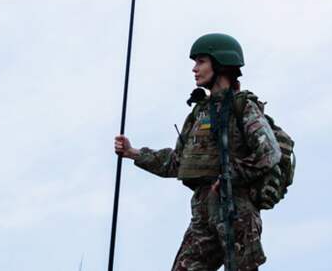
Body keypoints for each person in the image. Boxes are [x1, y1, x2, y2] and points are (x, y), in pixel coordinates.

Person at [114, 33, 282, 271]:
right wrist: (133, 153)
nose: (194, 69)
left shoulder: (242, 107)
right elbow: (177, 162)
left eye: (201, 62)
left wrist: (231, 175)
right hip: (203, 213)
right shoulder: (199, 113)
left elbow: (269, 152)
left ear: (220, 64)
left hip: (236, 211)